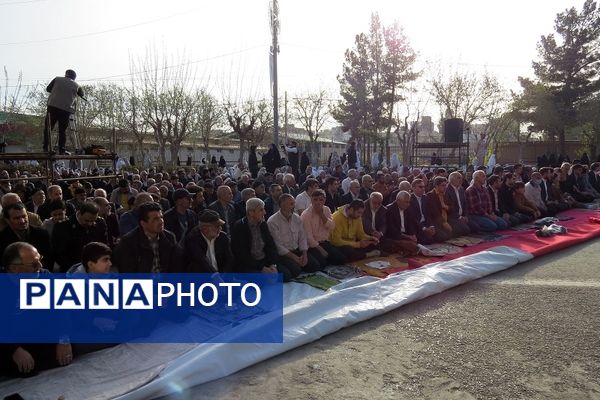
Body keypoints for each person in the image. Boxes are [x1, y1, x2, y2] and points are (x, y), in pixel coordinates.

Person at [0, 243, 73, 376]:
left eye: (39, 260)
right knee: (24, 368)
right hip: (13, 341)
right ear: (14, 269)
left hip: (42, 336)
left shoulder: (44, 276)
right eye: (33, 264)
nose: (40, 267)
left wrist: (64, 339)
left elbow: (63, 308)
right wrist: (14, 350)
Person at [231, 198, 290, 280]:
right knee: (264, 280)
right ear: (251, 212)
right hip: (249, 264)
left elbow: (271, 246)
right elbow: (242, 255)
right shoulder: (239, 226)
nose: (264, 213)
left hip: (264, 260)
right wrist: (262, 268)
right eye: (261, 210)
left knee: (287, 275)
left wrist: (273, 265)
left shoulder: (263, 224)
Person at [113, 202, 179, 273]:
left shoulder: (169, 237)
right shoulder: (128, 242)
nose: (161, 222)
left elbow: (175, 266)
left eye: (161, 217)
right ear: (143, 223)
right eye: (155, 219)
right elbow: (127, 272)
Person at [268, 194, 320, 276]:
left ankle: (298, 263)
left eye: (294, 204)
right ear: (282, 205)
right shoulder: (272, 221)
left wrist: (304, 254)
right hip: (284, 254)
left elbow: (302, 237)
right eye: (291, 204)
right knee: (296, 271)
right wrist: (295, 258)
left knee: (315, 266)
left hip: (297, 250)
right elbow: (278, 246)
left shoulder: (296, 218)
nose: (294, 207)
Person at [52, 201, 109, 272]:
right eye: (87, 220)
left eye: (93, 221)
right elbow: (59, 254)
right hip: (72, 270)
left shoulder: (100, 223)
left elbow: (104, 247)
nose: (90, 224)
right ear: (79, 213)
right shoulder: (62, 227)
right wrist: (76, 270)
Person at [0, 202, 54, 271]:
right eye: (17, 218)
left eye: (24, 216)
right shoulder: (2, 238)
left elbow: (49, 259)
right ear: (7, 220)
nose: (22, 221)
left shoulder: (41, 234)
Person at [301, 189, 347, 268]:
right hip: (313, 246)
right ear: (311, 200)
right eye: (315, 200)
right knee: (322, 264)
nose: (318, 202)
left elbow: (332, 227)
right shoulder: (306, 215)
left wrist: (322, 215)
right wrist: (321, 250)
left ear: (324, 200)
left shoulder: (326, 209)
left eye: (321, 200)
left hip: (326, 242)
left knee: (342, 259)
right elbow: (309, 237)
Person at [43, 69, 85, 154]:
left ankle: (46, 148)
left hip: (53, 107)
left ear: (66, 74)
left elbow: (48, 89)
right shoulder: (76, 85)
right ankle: (61, 149)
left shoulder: (57, 79)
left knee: (48, 128)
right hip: (65, 110)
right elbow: (82, 94)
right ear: (74, 77)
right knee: (62, 131)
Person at [384, 191, 419, 255]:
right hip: (395, 236)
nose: (408, 204)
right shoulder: (389, 209)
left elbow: (411, 224)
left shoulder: (408, 208)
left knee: (416, 241)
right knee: (411, 245)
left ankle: (403, 250)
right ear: (398, 201)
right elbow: (391, 230)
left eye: (409, 202)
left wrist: (413, 235)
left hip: (405, 235)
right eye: (406, 202)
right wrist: (407, 237)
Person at [425, 177, 454, 241]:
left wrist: (445, 207)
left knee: (464, 229)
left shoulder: (446, 194)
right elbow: (435, 213)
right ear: (436, 186)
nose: (445, 187)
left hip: (447, 219)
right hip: (436, 222)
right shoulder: (430, 195)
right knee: (444, 236)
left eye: (446, 185)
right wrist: (444, 223)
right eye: (443, 185)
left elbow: (452, 207)